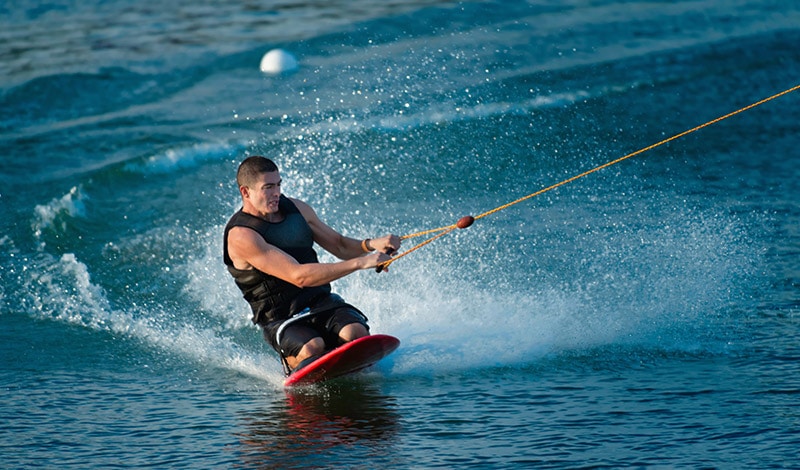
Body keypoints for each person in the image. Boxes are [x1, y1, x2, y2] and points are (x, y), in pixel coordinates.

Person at [223, 156, 400, 375]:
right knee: (312, 348)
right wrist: (361, 263)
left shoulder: (296, 209)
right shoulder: (242, 235)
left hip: (320, 302)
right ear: (245, 192)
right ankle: (292, 363)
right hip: (281, 317)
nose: (276, 192)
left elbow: (340, 245)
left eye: (278, 184)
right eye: (268, 187)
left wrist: (372, 244)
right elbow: (299, 276)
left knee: (356, 333)